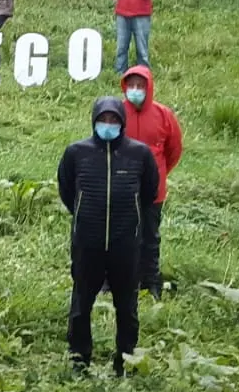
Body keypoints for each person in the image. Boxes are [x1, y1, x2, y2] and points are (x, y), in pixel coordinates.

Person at [57, 97, 161, 373]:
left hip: (125, 245)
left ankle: (124, 362)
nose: (108, 124)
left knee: (126, 308)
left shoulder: (139, 154)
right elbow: (67, 191)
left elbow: (149, 193)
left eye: (113, 120)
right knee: (81, 305)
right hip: (86, 245)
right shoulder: (76, 153)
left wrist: (129, 222)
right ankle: (79, 360)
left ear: (122, 122)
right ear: (94, 120)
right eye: (103, 119)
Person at [120, 66, 184, 297]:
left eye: (140, 86)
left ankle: (150, 281)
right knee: (119, 235)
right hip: (121, 188)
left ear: (149, 88)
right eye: (131, 86)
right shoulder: (116, 112)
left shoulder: (163, 115)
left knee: (150, 237)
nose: (135, 90)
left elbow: (174, 150)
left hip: (152, 191)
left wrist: (158, 173)